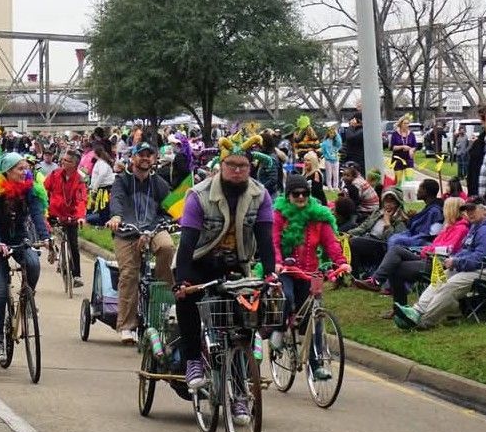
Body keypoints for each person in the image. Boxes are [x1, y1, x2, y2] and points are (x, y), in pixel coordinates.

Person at [174, 135, 275, 413]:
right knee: (187, 300)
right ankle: (193, 359)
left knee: (245, 321)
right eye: (232, 164)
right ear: (220, 165)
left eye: (243, 165)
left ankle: (241, 393)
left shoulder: (260, 195)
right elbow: (187, 243)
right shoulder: (199, 195)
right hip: (198, 261)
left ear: (250, 167)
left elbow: (265, 240)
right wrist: (182, 280)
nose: (237, 170)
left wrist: (271, 274)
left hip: (236, 265)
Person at [0, 153, 50, 362]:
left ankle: (27, 298)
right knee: (0, 290)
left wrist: (45, 237)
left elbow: (37, 214)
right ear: (7, 171)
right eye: (20, 169)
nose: (25, 172)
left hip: (20, 239)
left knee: (33, 263)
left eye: (26, 168)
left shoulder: (29, 189)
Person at [271, 174, 350, 380]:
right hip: (286, 270)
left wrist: (341, 261)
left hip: (310, 272)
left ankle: (316, 366)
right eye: (296, 194)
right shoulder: (280, 215)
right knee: (286, 297)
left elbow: (331, 243)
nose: (300, 197)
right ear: (288, 196)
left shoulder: (318, 217)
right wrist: (278, 262)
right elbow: (274, 242)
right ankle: (279, 329)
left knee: (315, 319)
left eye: (304, 193)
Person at [105, 142, 175, 344]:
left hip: (153, 229)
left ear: (153, 159)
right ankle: (127, 326)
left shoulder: (159, 183)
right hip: (127, 232)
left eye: (149, 155)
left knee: (167, 247)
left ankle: (163, 298)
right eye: (141, 155)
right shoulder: (122, 180)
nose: (145, 158)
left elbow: (168, 208)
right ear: (132, 158)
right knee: (129, 274)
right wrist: (116, 217)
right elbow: (116, 200)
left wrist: (178, 218)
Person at [394, 198, 486, 330]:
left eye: (472, 209)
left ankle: (425, 321)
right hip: (475, 266)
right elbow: (467, 252)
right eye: (466, 209)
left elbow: (480, 258)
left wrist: (456, 261)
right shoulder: (476, 226)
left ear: (484, 209)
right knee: (440, 278)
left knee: (449, 286)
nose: (469, 212)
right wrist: (455, 259)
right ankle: (417, 311)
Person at [354, 197, 468, 317]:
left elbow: (448, 249)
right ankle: (376, 281)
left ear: (450, 210)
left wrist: (427, 250)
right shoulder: (449, 227)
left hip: (438, 264)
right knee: (396, 249)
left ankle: (397, 306)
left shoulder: (461, 228)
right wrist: (427, 250)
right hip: (428, 257)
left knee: (395, 268)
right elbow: (436, 245)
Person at [43, 148, 88, 287]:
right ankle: (54, 250)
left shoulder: (79, 179)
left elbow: (81, 200)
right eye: (63, 159)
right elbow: (45, 187)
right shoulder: (55, 174)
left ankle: (76, 275)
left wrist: (80, 217)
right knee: (46, 233)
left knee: (73, 244)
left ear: (74, 164)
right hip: (55, 212)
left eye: (67, 161)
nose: (63, 162)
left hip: (71, 215)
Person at [345, 187, 409, 275]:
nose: (388, 205)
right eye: (386, 201)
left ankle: (355, 274)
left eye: (392, 202)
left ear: (398, 203)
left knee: (353, 243)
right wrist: (348, 233)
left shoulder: (401, 220)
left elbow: (394, 240)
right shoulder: (378, 212)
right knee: (345, 239)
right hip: (368, 238)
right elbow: (364, 227)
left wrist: (387, 223)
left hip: (381, 245)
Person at [386, 179, 443, 249]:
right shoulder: (429, 207)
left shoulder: (435, 211)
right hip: (415, 235)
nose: (417, 191)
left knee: (395, 240)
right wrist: (412, 218)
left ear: (425, 191)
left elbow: (429, 233)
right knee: (394, 237)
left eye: (420, 188)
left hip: (423, 240)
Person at [86, 144, 116, 225]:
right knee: (100, 207)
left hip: (104, 189)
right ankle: (101, 220)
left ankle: (104, 222)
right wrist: (91, 186)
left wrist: (94, 188)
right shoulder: (100, 162)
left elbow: (101, 175)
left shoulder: (102, 163)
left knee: (103, 208)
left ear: (96, 153)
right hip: (101, 188)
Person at [390, 117, 417, 185]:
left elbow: (415, 146)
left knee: (409, 180)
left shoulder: (411, 134)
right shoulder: (395, 134)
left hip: (408, 159)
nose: (406, 125)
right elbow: (393, 147)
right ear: (400, 124)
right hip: (398, 159)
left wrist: (411, 150)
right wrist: (402, 146)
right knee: (399, 181)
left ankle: (409, 194)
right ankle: (399, 193)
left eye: (408, 123)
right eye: (405, 123)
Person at [321, 125, 343, 189]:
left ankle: (336, 187)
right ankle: (329, 187)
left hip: (336, 159)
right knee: (329, 174)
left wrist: (337, 134)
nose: (332, 134)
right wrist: (326, 156)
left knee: (336, 174)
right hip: (328, 160)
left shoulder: (336, 142)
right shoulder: (325, 142)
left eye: (333, 133)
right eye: (330, 132)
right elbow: (323, 150)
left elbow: (340, 143)